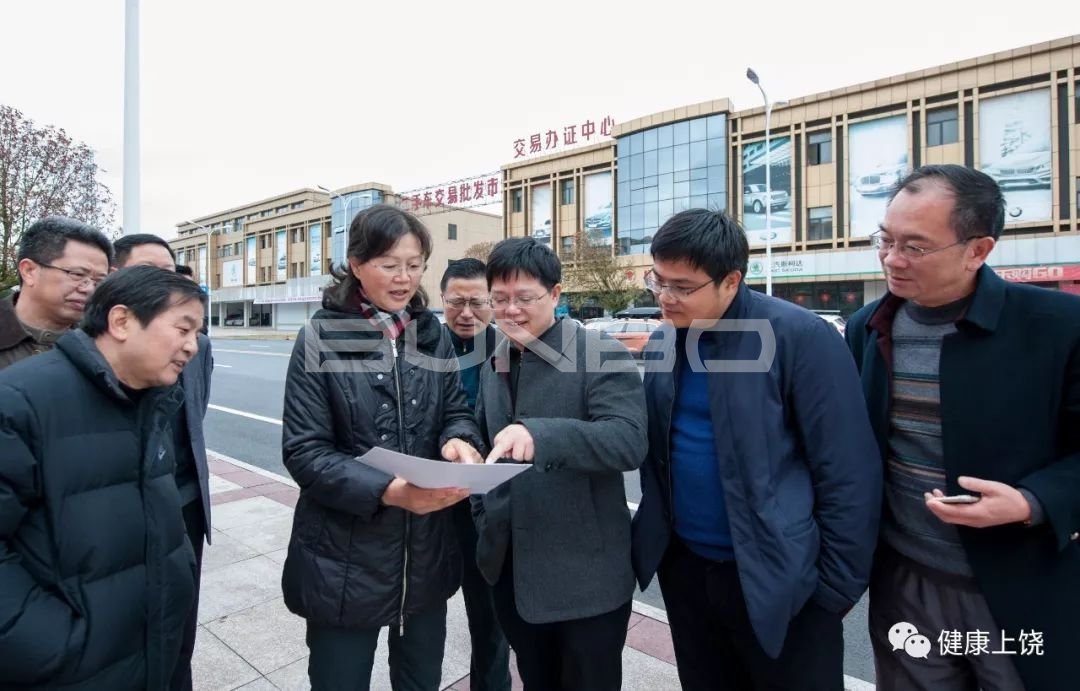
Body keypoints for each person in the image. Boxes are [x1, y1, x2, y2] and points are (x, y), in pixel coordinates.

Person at [845, 164, 1080, 691]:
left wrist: (1031, 502)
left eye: (915, 247)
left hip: (1019, 585)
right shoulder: (868, 328)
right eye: (884, 239)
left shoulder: (1058, 327)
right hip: (904, 580)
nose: (891, 259)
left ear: (978, 250)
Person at [631, 209, 882, 691]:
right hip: (689, 574)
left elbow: (849, 473)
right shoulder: (666, 339)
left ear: (731, 281)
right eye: (657, 280)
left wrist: (831, 591)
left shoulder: (800, 337)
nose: (664, 297)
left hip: (781, 582)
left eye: (682, 287)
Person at [280, 204, 485, 691]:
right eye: (390, 264)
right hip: (343, 562)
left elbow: (455, 409)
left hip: (424, 557)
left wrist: (460, 439)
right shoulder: (321, 338)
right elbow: (305, 450)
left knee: (420, 681)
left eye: (414, 265)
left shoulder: (430, 335)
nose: (404, 278)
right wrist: (389, 492)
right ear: (355, 264)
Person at [0, 265, 203, 689]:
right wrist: (52, 644)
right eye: (183, 329)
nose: (193, 347)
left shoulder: (154, 400)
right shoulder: (19, 401)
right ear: (121, 321)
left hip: (152, 652)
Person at [472, 237, 647, 691]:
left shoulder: (600, 354)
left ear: (555, 294)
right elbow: (483, 435)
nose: (511, 310)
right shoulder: (497, 359)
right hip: (511, 571)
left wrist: (540, 434)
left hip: (585, 581)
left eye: (525, 298)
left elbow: (628, 442)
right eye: (500, 299)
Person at [113, 233, 214, 691]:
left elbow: (195, 414)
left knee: (178, 636)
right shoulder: (91, 351)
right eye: (148, 273)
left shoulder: (199, 349)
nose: (163, 284)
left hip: (184, 507)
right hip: (120, 515)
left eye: (169, 274)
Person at [439, 258, 511, 691]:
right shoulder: (418, 349)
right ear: (442, 300)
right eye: (457, 302)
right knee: (419, 613)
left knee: (489, 618)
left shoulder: (511, 351)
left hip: (484, 507)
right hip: (428, 500)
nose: (467, 313)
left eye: (478, 302)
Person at [0, 216, 112, 369]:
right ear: (29, 271)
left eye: (99, 281)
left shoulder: (105, 348)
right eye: (78, 274)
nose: (89, 289)